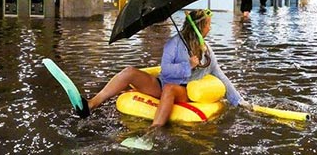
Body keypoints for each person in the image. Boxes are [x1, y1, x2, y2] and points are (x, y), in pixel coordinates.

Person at [78, 9, 252, 127]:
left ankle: (153, 132)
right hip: (163, 84)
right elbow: (166, 70)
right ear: (200, 27)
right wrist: (188, 65)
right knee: (129, 71)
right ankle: (91, 104)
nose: (210, 27)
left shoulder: (206, 50)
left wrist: (238, 101)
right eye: (208, 24)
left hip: (182, 91)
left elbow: (219, 74)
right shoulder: (173, 44)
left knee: (169, 88)